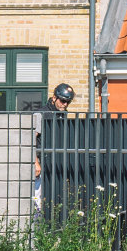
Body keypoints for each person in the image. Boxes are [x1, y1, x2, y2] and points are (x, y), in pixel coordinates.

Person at [30, 84, 75, 215]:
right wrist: (35, 162)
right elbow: (31, 138)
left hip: (55, 164)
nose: (65, 104)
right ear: (54, 98)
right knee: (37, 198)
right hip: (41, 162)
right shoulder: (41, 114)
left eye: (68, 102)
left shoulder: (63, 115)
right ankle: (35, 229)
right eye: (62, 100)